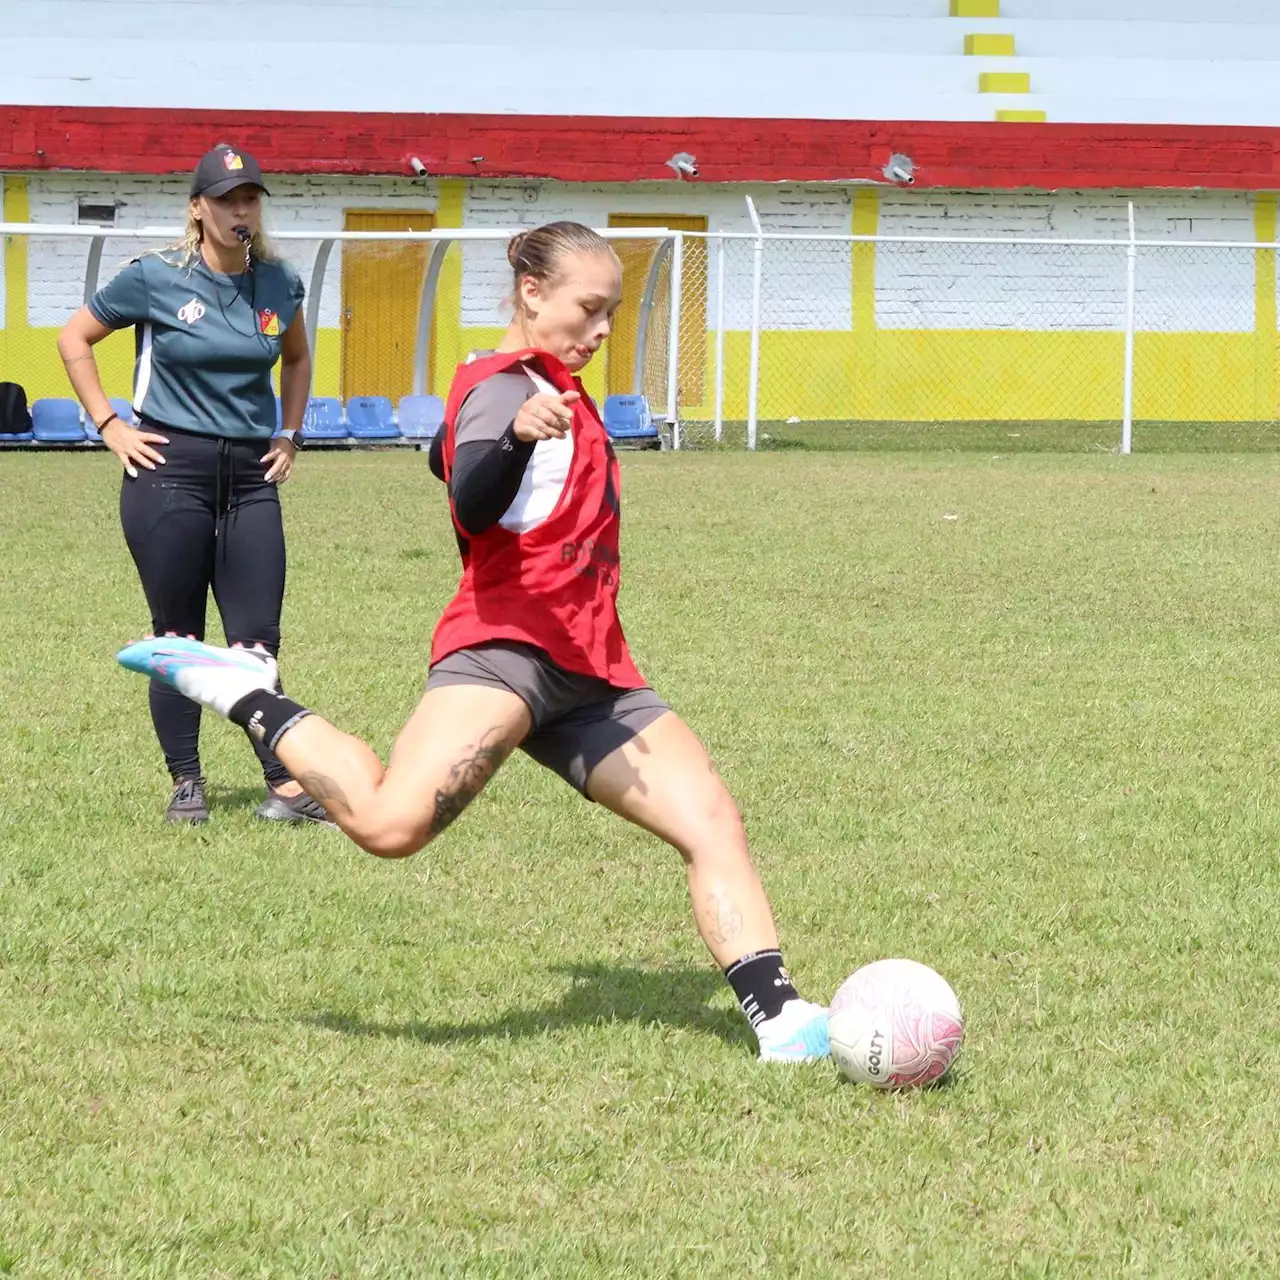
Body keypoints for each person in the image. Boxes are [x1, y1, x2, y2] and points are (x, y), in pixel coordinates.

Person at [115, 220, 829, 1061]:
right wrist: (514, 439)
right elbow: (472, 500)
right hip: (506, 654)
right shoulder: (502, 390)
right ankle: (243, 690)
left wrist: (491, 440)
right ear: (532, 294)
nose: (603, 330)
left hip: (594, 670)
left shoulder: (542, 386)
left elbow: (442, 458)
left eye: (613, 312)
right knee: (388, 825)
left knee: (711, 818)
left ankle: (781, 1022)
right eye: (589, 309)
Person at [59, 144, 328, 827]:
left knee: (257, 641)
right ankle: (187, 781)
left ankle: (286, 786)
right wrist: (109, 425)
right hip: (167, 471)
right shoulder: (155, 277)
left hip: (250, 476)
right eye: (228, 199)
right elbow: (74, 339)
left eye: (251, 198)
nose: (242, 210)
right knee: (177, 635)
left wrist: (288, 434)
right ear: (198, 208)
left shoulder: (278, 282)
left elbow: (296, 360)